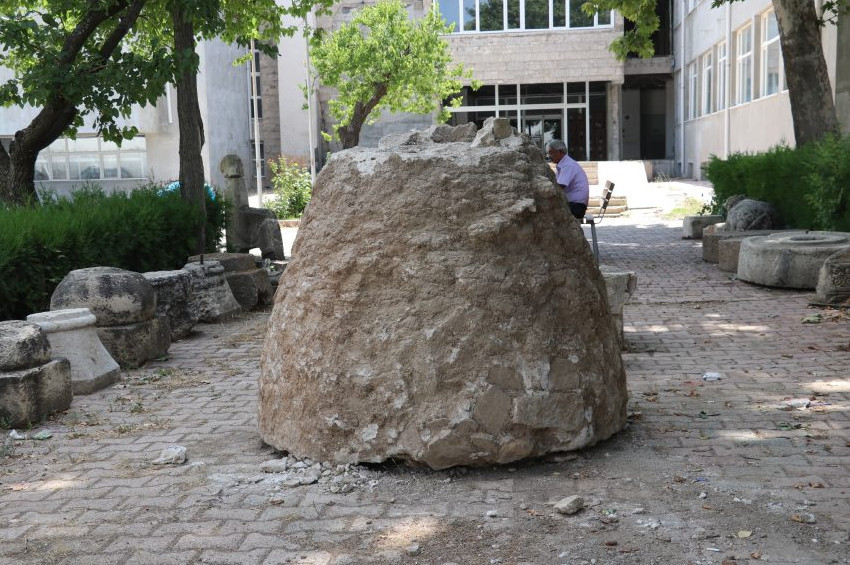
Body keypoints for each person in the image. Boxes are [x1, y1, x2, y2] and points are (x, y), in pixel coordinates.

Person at [545, 139, 589, 220]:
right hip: (575, 204)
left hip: (576, 207)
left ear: (560, 152)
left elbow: (559, 187)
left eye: (551, 152)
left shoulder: (568, 165)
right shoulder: (565, 164)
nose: (548, 156)